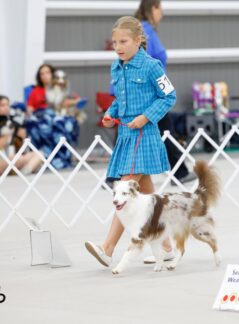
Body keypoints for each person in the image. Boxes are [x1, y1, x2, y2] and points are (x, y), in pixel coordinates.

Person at [85, 16, 176, 268]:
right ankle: (167, 247)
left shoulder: (152, 66)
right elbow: (120, 99)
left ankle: (107, 248)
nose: (118, 46)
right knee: (144, 193)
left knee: (124, 189)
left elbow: (169, 96)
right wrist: (111, 114)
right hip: (125, 135)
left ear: (139, 40)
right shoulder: (117, 67)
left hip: (143, 135)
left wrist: (146, 117)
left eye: (123, 41)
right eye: (115, 42)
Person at [135, 0, 196, 185]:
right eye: (160, 8)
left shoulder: (145, 30)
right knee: (165, 129)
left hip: (151, 89)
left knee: (162, 130)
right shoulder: (146, 31)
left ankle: (180, 172)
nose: (162, 12)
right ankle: (180, 172)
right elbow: (147, 63)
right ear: (153, 8)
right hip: (151, 91)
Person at [26, 64, 80, 169]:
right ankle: (46, 158)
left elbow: (73, 101)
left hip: (59, 114)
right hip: (41, 115)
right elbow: (30, 109)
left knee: (64, 122)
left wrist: (71, 103)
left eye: (47, 72)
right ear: (39, 77)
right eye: (42, 74)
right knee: (46, 122)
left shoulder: (63, 89)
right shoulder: (35, 91)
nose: (45, 76)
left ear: (53, 74)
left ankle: (62, 158)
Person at [0, 95, 42, 175]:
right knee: (19, 158)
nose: (6, 107)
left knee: (39, 154)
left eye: (7, 105)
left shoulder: (13, 120)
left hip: (11, 156)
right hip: (3, 159)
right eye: (2, 105)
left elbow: (18, 144)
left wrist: (20, 136)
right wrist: (8, 135)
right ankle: (25, 169)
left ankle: (25, 170)